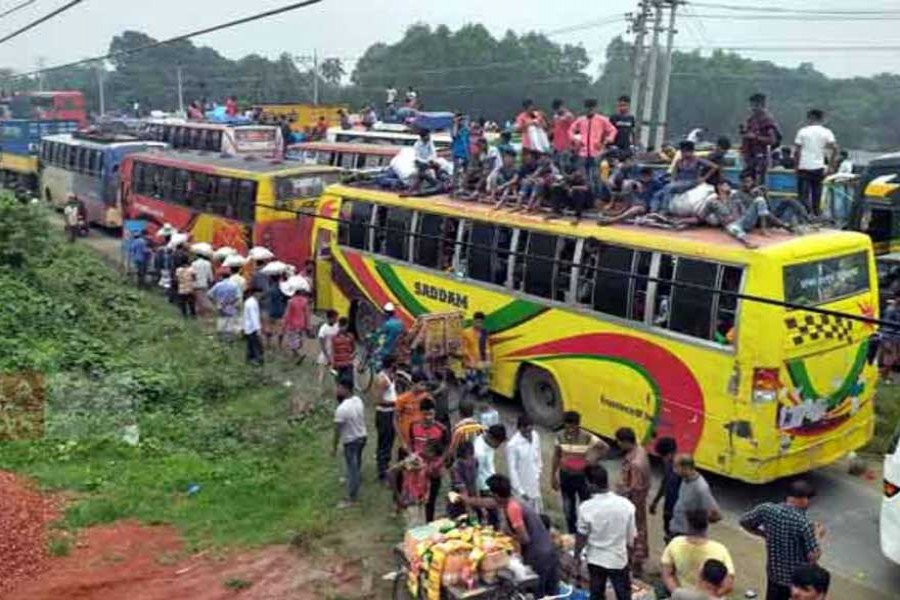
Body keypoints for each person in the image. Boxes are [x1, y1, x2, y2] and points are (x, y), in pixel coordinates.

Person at [457, 474, 559, 596]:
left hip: (538, 555)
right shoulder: (512, 499)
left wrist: (508, 534)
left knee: (539, 594)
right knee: (553, 593)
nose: (491, 497)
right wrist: (467, 500)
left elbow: (524, 539)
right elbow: (488, 503)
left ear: (496, 495)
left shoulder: (512, 508)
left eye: (492, 494)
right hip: (549, 550)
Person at [739, 480, 822, 600]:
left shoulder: (766, 509)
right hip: (796, 581)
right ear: (802, 499)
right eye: (808, 499)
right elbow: (813, 556)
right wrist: (817, 535)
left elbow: (744, 521)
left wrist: (763, 534)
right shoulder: (805, 524)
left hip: (774, 574)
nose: (808, 502)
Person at [574, 464, 636, 600]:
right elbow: (631, 538)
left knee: (596, 593)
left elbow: (581, 536)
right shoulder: (626, 505)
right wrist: (630, 558)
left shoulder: (585, 508)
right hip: (618, 559)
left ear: (590, 483)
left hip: (595, 559)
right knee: (623, 595)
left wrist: (577, 556)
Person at [552, 410, 609, 534]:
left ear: (577, 425)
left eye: (571, 427)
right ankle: (572, 533)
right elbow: (556, 456)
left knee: (586, 507)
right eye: (567, 427)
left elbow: (605, 447)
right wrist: (553, 476)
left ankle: (585, 532)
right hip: (565, 477)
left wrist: (593, 460)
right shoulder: (559, 436)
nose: (569, 431)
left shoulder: (587, 436)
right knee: (568, 509)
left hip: (582, 477)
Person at [661, 510, 735, 596]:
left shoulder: (675, 543)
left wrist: (680, 595)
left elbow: (667, 575)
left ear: (687, 524)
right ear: (706, 526)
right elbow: (728, 585)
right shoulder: (720, 549)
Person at [614, 427, 651, 578]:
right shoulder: (640, 450)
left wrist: (621, 494)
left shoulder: (635, 463)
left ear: (625, 442)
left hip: (633, 502)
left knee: (635, 533)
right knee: (640, 529)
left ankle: (635, 566)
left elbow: (634, 487)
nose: (618, 445)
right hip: (639, 501)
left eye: (619, 442)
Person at [650, 140, 718, 214]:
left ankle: (664, 210)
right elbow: (674, 173)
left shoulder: (697, 160)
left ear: (691, 152)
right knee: (658, 194)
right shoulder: (679, 161)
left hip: (691, 181)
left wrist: (704, 178)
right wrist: (673, 181)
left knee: (668, 188)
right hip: (679, 182)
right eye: (682, 151)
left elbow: (714, 167)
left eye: (685, 152)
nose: (683, 153)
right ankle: (653, 211)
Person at [409, 397, 449, 522]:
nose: (428, 417)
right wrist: (413, 456)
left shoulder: (442, 429)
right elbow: (411, 444)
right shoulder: (413, 426)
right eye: (425, 414)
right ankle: (416, 523)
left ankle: (429, 524)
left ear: (435, 413)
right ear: (420, 413)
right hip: (417, 469)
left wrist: (439, 463)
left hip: (434, 471)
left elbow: (447, 449)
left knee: (431, 500)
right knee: (416, 498)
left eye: (431, 414)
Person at [568, 98, 618, 195]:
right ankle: (587, 195)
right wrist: (575, 140)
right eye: (588, 108)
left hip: (596, 152)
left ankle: (598, 196)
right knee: (584, 175)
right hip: (583, 152)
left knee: (597, 175)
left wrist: (607, 140)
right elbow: (571, 130)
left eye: (591, 108)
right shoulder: (581, 120)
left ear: (595, 108)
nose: (589, 110)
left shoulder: (602, 119)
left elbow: (613, 130)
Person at [794, 109, 838, 215]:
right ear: (821, 118)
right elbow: (835, 148)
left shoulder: (803, 131)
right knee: (817, 194)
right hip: (818, 167)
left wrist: (796, 166)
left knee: (803, 195)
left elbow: (797, 151)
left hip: (803, 166)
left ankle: (805, 215)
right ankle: (816, 215)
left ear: (811, 118)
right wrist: (831, 166)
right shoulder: (827, 132)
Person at [669, 454, 722, 538]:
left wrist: (697, 524)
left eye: (676, 467)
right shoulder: (685, 479)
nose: (674, 470)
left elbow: (716, 515)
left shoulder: (700, 488)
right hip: (677, 528)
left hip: (688, 535)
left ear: (686, 468)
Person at [333, 380, 366, 508]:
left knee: (352, 468)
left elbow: (337, 430)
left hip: (351, 441)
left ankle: (351, 498)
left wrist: (334, 446)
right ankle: (356, 479)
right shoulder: (358, 400)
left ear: (346, 389)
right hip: (362, 436)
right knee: (356, 462)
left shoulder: (342, 409)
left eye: (339, 387)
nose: (336, 390)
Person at [740, 93, 781, 184]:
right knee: (747, 182)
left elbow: (772, 140)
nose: (753, 108)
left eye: (756, 105)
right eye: (752, 105)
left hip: (760, 158)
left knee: (759, 184)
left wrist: (755, 137)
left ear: (762, 105)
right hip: (749, 157)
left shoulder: (767, 120)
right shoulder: (751, 119)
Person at [506, 415, 543, 512]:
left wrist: (538, 472)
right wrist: (520, 491)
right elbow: (512, 469)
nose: (528, 434)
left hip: (534, 482)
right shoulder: (513, 445)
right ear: (519, 428)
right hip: (522, 486)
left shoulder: (535, 436)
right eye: (525, 431)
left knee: (537, 512)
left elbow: (538, 455)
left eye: (530, 430)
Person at [473, 424, 508, 519]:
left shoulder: (488, 442)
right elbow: (475, 477)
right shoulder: (479, 453)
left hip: (491, 486)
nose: (498, 446)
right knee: (491, 519)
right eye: (498, 443)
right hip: (484, 490)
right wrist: (479, 503)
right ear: (491, 437)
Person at [373, 356, 399, 482]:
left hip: (390, 414)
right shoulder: (382, 379)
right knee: (385, 442)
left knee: (388, 442)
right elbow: (378, 400)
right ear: (392, 363)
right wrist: (395, 404)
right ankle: (382, 471)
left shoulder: (390, 375)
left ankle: (384, 466)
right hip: (385, 415)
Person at [650, 436, 680, 540]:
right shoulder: (667, 464)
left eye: (665, 456)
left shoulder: (683, 470)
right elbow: (664, 483)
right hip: (668, 509)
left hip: (679, 513)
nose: (663, 459)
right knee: (667, 533)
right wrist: (655, 501)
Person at [395, 377, 429, 450]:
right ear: (414, 383)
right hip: (407, 436)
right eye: (422, 384)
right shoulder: (402, 399)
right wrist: (402, 440)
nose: (424, 387)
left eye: (425, 385)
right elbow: (395, 420)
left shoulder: (426, 397)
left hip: (421, 436)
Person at [208, 268, 242, 342]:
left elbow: (209, 294)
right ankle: (230, 340)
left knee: (221, 321)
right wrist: (231, 303)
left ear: (221, 276)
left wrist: (215, 302)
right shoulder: (234, 285)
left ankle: (221, 339)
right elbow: (238, 297)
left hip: (220, 306)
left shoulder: (218, 285)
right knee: (230, 322)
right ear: (229, 276)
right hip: (230, 306)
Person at [447, 440, 478, 519]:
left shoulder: (475, 461)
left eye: (470, 456)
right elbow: (462, 489)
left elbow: (474, 482)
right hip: (458, 500)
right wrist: (468, 507)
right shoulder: (456, 467)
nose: (468, 461)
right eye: (466, 457)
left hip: (472, 496)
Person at [282, 283, 310, 364]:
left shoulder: (290, 301)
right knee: (299, 339)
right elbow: (307, 314)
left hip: (292, 324)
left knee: (292, 340)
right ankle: (297, 354)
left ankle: (297, 354)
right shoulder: (305, 301)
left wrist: (284, 324)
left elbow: (287, 314)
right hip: (302, 324)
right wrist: (308, 325)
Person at [317, 310, 340, 387]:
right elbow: (322, 345)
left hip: (335, 354)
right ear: (330, 318)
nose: (337, 319)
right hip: (326, 355)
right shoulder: (323, 329)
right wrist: (327, 356)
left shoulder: (337, 326)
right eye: (335, 318)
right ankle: (320, 390)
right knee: (323, 373)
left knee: (336, 374)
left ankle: (337, 389)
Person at [331, 317, 356, 388]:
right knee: (339, 381)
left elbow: (353, 349)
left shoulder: (350, 337)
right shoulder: (335, 338)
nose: (343, 328)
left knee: (346, 383)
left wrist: (352, 355)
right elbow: (333, 351)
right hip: (340, 364)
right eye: (342, 326)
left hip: (346, 363)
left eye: (344, 326)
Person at [550, 99, 576, 170]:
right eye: (555, 109)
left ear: (562, 106)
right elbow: (554, 129)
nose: (557, 110)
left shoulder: (568, 116)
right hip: (557, 144)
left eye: (558, 108)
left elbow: (574, 128)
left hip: (566, 144)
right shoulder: (555, 116)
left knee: (565, 164)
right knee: (556, 163)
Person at [242, 287, 264, 365]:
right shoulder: (252, 303)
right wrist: (258, 329)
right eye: (261, 293)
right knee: (255, 345)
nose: (262, 295)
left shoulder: (251, 301)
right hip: (252, 328)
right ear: (256, 293)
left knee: (250, 345)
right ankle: (256, 360)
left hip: (249, 327)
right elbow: (253, 317)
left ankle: (249, 359)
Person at [451, 112, 471, 191]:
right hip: (458, 153)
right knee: (457, 171)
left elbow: (468, 137)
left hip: (465, 153)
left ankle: (463, 187)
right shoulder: (454, 128)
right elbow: (454, 135)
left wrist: (465, 120)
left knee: (465, 171)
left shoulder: (465, 129)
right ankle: (455, 187)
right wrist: (456, 123)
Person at [190, 249, 214, 316]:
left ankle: (201, 311)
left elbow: (192, 274)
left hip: (196, 283)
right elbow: (210, 274)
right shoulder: (208, 263)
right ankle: (205, 311)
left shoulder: (193, 263)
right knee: (204, 297)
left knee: (198, 299)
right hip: (205, 283)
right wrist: (211, 281)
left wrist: (192, 281)